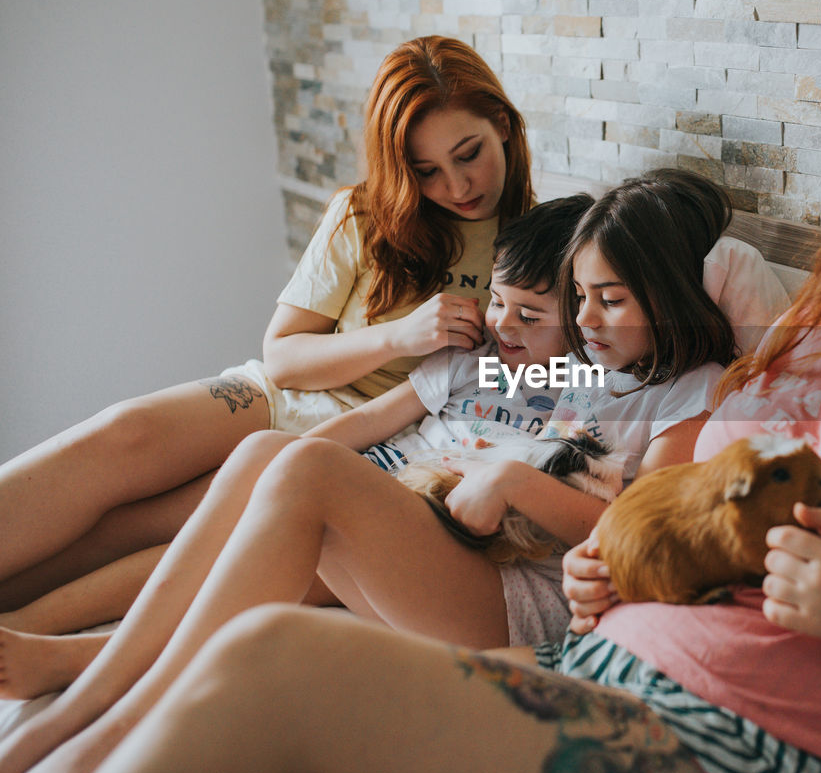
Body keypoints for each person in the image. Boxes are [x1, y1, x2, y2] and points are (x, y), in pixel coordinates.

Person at [60, 63, 821, 773]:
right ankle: (62, 736)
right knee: (263, 626)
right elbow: (673, 492)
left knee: (278, 661)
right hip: (600, 657)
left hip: (747, 737)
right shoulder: (816, 339)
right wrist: (611, 569)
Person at [0, 169, 742, 773]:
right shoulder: (563, 361)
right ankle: (86, 705)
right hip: (450, 549)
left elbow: (640, 541)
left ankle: (107, 723)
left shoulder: (688, 390)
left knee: (308, 467)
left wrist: (515, 482)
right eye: (579, 299)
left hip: (520, 598)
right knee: (269, 454)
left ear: (669, 295)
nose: (587, 321)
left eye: (608, 300)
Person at [0, 35, 532, 616]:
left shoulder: (538, 244)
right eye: (426, 171)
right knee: (125, 432)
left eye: (469, 154)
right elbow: (283, 356)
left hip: (384, 437)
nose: (456, 187)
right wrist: (398, 337)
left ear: (502, 124)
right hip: (285, 393)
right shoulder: (365, 214)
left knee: (159, 523)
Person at [0, 194, 592, 702]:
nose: (504, 325)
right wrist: (273, 471)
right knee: (235, 488)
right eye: (498, 302)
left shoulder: (589, 397)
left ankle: (79, 662)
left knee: (260, 558)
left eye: (530, 315)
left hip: (415, 524)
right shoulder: (473, 360)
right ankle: (30, 624)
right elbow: (371, 419)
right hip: (365, 478)